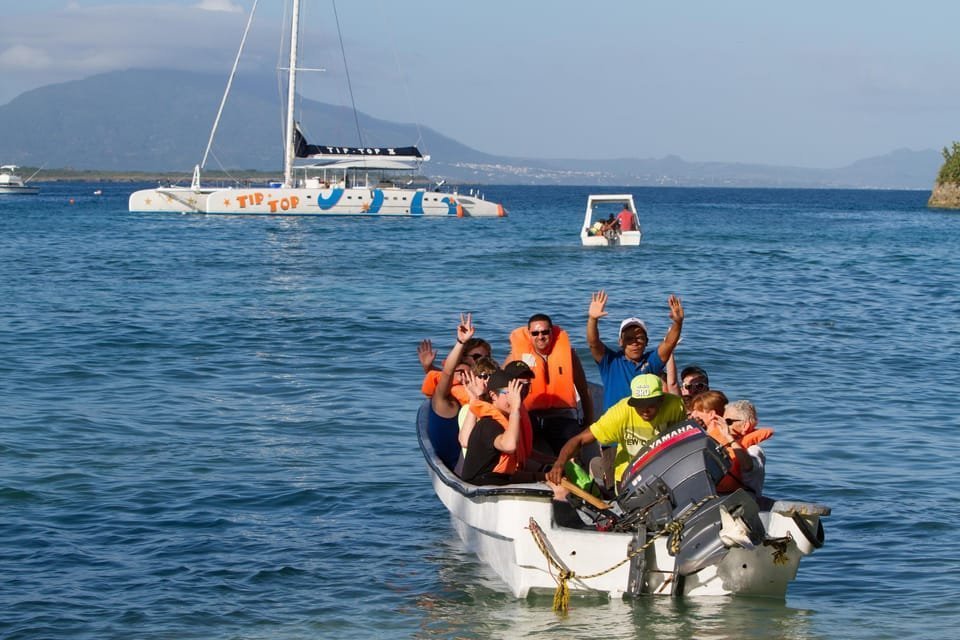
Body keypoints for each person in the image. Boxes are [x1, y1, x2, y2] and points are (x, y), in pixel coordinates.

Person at [546, 374, 686, 489]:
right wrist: (560, 463)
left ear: (661, 400)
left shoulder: (675, 406)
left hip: (663, 468)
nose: (645, 410)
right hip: (628, 474)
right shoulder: (620, 413)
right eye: (639, 405)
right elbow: (580, 439)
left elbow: (684, 439)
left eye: (651, 404)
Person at [506, 313, 594, 458]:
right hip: (530, 415)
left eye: (544, 332)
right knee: (517, 446)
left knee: (572, 452)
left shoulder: (569, 355)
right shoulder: (516, 356)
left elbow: (583, 390)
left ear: (552, 332)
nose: (540, 336)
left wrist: (589, 422)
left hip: (561, 416)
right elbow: (501, 385)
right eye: (535, 333)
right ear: (529, 334)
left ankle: (573, 474)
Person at [587, 290, 684, 413]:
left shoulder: (652, 361)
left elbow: (669, 343)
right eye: (629, 339)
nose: (634, 342)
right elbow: (593, 343)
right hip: (613, 424)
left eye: (639, 338)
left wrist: (678, 322)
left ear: (646, 342)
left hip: (643, 421)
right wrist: (592, 319)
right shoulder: (610, 361)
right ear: (620, 342)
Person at [459, 371, 546, 485]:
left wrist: (545, 475)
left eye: (517, 394)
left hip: (499, 481)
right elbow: (509, 446)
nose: (516, 399)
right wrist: (515, 409)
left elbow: (508, 475)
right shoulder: (489, 424)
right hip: (481, 487)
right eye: (509, 394)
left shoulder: (507, 421)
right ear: (493, 395)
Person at [426, 313, 478, 469]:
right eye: (459, 373)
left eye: (467, 373)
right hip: (457, 467)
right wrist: (461, 342)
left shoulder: (480, 398)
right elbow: (447, 374)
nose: (463, 378)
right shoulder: (444, 402)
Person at [709, 399, 773, 496]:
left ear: (745, 425)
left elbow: (747, 467)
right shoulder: (722, 443)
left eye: (728, 421)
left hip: (744, 499)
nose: (724, 425)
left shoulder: (754, 450)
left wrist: (729, 437)